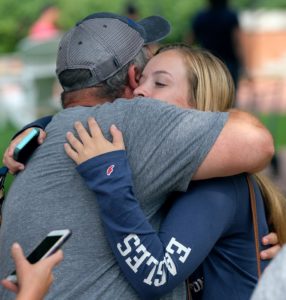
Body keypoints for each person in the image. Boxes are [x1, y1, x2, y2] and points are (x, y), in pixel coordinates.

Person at [0, 12, 274, 300]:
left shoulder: (38, 145)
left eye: (160, 83)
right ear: (133, 76)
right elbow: (258, 142)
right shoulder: (136, 124)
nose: (144, 94)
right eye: (144, 78)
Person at [63, 44, 286, 299]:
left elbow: (156, 274)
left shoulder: (218, 186)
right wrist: (37, 130)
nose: (139, 91)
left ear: (198, 108)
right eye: (141, 80)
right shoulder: (175, 172)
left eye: (160, 84)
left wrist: (109, 180)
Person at [189, 0, 243, 95]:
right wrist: (242, 62)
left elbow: (189, 41)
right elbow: (237, 42)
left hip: (208, 63)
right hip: (229, 64)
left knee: (210, 96)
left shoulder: (200, 17)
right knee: (229, 97)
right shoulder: (231, 16)